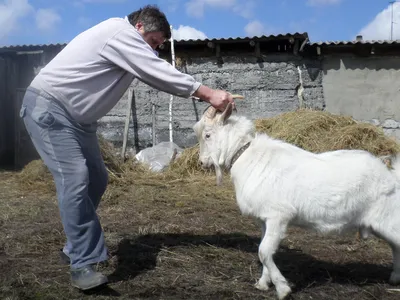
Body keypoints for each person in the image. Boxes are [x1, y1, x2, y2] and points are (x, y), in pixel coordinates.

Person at [19, 4, 234, 291]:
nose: (155, 50)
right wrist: (208, 93)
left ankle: (74, 246)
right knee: (75, 178)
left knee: (97, 178)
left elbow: (150, 66)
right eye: (154, 42)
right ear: (140, 27)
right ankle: (82, 264)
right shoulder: (118, 32)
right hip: (49, 109)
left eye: (159, 46)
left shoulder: (127, 40)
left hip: (78, 121)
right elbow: (154, 70)